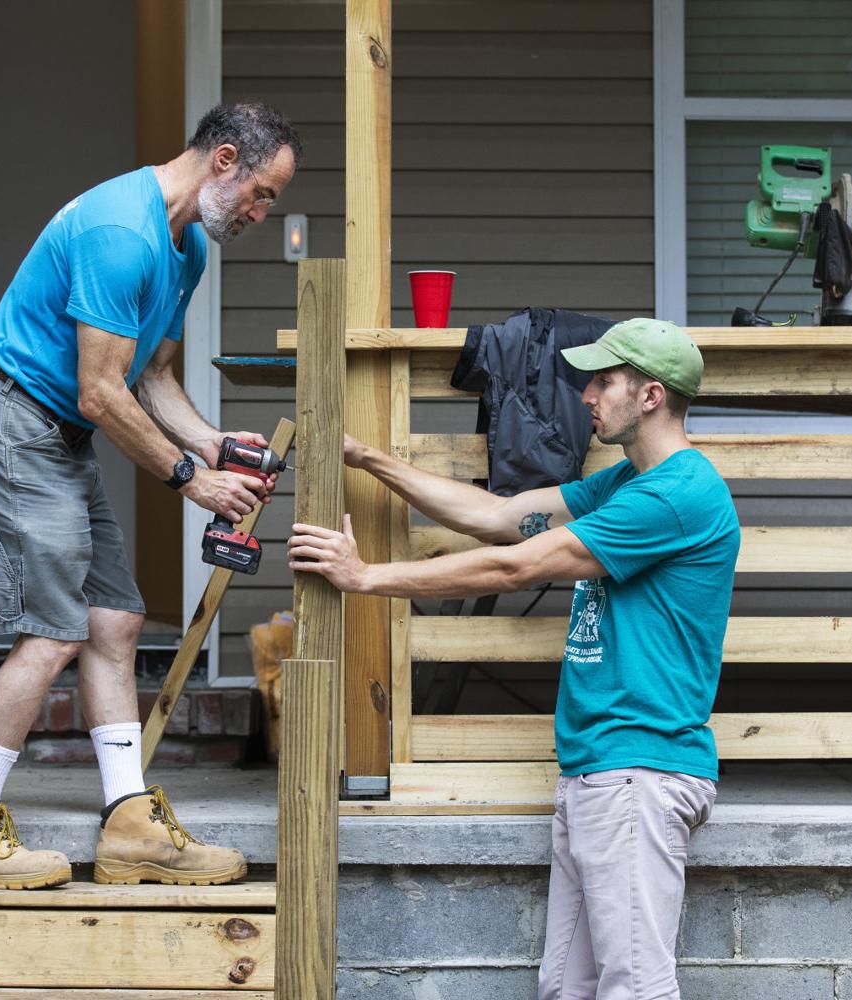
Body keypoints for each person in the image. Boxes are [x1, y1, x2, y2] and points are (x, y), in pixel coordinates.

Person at [288, 318, 740, 999]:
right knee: (567, 987)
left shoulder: (676, 496)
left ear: (650, 396)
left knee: (636, 989)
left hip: (638, 774)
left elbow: (514, 565)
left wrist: (367, 578)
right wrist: (369, 459)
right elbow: (501, 519)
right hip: (600, 771)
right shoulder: (623, 485)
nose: (586, 394)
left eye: (603, 381)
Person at [0, 103, 301, 890]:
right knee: (56, 629)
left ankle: (129, 822)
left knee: (115, 617)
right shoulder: (121, 232)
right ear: (225, 160)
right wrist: (190, 478)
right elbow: (101, 393)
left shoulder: (185, 249)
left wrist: (210, 442)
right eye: (262, 194)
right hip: (8, 418)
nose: (261, 214)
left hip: (55, 432)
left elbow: (152, 378)